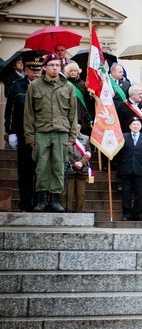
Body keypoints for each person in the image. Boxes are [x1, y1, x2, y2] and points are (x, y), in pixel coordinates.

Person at [24, 53, 79, 213]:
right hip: (41, 132)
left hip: (61, 133)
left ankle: (55, 200)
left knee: (58, 166)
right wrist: (30, 136)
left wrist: (72, 136)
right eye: (52, 65)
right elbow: (29, 114)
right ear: (45, 67)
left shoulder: (68, 87)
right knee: (41, 167)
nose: (55, 68)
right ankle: (41, 200)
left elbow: (73, 114)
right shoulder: (34, 86)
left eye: (57, 65)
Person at [5, 56, 41, 211]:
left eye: (38, 69)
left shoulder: (46, 86)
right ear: (25, 70)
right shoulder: (17, 86)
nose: (36, 72)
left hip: (42, 133)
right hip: (23, 133)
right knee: (25, 169)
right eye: (32, 69)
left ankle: (40, 202)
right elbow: (11, 111)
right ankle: (25, 203)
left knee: (41, 170)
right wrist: (11, 131)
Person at [117, 117, 142, 221]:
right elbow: (118, 154)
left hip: (140, 170)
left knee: (139, 193)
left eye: (137, 125)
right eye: (133, 124)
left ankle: (137, 214)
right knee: (126, 193)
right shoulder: (123, 137)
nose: (135, 126)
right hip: (126, 169)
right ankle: (126, 214)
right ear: (129, 126)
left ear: (141, 126)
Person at [65, 131, 92, 213]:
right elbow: (64, 152)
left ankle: (79, 213)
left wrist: (81, 162)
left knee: (81, 194)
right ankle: (67, 212)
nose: (77, 129)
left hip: (82, 169)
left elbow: (88, 152)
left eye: (79, 127)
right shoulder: (65, 137)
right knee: (67, 193)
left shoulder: (86, 138)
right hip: (69, 169)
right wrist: (74, 163)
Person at [64, 62, 93, 136]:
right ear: (67, 72)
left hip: (84, 115)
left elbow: (88, 100)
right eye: (71, 71)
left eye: (75, 71)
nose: (73, 72)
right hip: (73, 113)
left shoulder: (84, 84)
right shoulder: (65, 84)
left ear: (78, 72)